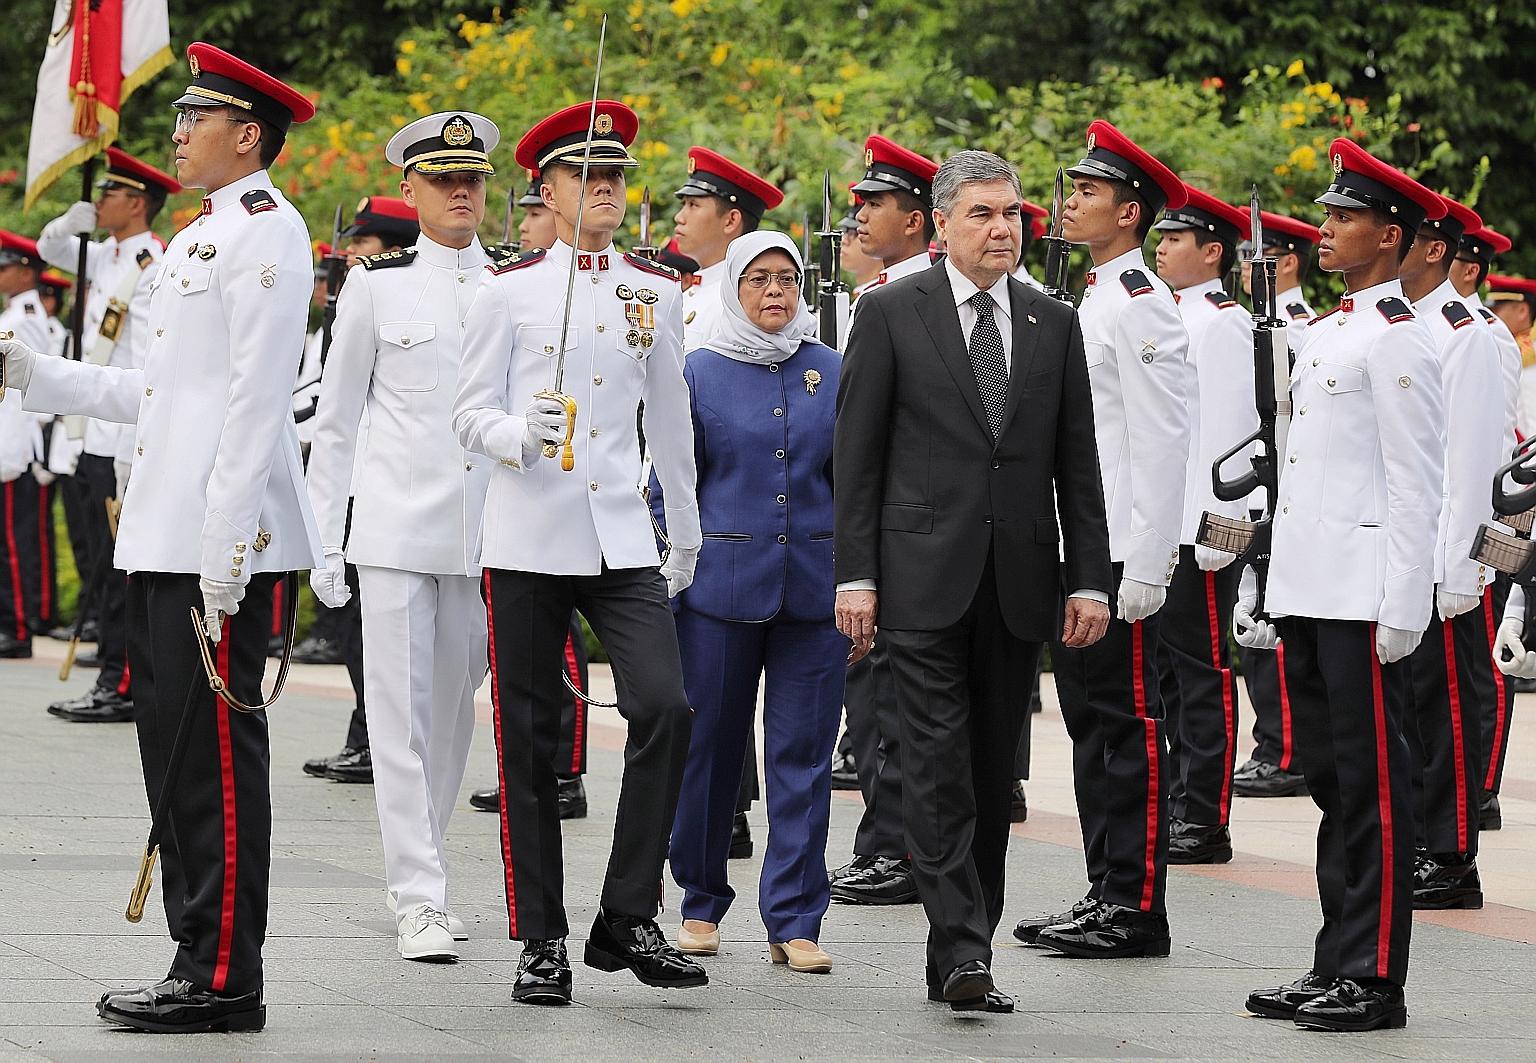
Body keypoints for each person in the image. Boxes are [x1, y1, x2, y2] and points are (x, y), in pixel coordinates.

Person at [1, 42, 320, 1033]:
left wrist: (228, 550)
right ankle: (197, 955)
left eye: (197, 119)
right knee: (172, 759)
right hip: (162, 533)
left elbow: (257, 402)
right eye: (179, 116)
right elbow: (162, 393)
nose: (177, 135)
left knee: (213, 761)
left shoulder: (267, 234)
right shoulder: (200, 235)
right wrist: (30, 373)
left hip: (209, 547)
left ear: (247, 135)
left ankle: (225, 973)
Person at [835, 149, 1112, 1013]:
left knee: (993, 778)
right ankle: (963, 952)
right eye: (984, 214)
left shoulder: (1052, 323)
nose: (1004, 229)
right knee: (935, 767)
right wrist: (857, 575)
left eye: (1013, 214)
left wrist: (1090, 579)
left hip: (1018, 581)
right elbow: (858, 457)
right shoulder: (888, 313)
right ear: (943, 223)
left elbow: (1078, 462)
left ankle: (963, 942)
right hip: (919, 580)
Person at [454, 100, 707, 1006]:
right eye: (585, 175)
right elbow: (467, 413)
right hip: (527, 532)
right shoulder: (506, 290)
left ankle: (628, 912)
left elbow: (671, 416)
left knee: (667, 707)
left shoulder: (653, 291)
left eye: (615, 176)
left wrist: (685, 525)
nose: (604, 187)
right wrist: (518, 431)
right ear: (549, 191)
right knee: (528, 744)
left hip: (619, 535)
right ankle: (542, 938)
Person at [1238, 138, 1445, 1033]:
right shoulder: (1329, 330)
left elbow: (1416, 483)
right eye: (1325, 215)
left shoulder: (1402, 341)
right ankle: (1336, 957)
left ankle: (1377, 975)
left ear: (1389, 233)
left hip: (1364, 596)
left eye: (1343, 217)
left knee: (1374, 786)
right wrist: (1275, 587)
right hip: (1312, 589)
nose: (1324, 229)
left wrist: (1404, 604)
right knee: (1332, 779)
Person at [306, 111, 505, 963]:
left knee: (453, 713)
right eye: (443, 180)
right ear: (411, 190)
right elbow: (338, 420)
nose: (461, 192)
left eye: (472, 181)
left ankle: (424, 876)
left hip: (483, 533)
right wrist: (327, 537)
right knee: (396, 718)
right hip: (391, 528)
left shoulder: (513, 286)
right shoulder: (377, 287)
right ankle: (417, 893)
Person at [1017, 121, 1190, 960]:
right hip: (1082, 542)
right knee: (1093, 723)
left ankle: (1135, 902)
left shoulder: (1143, 305)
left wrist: (1150, 562)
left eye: (1087, 192)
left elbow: (1163, 441)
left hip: (1121, 549)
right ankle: (1105, 887)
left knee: (1125, 725)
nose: (1069, 202)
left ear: (1129, 212)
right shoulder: (1096, 296)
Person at [658, 230, 844, 971]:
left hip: (814, 592)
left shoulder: (831, 369)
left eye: (787, 280)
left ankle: (796, 918)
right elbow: (670, 479)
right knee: (708, 751)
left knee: (804, 755)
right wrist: (667, 567)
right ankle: (700, 901)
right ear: (732, 288)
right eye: (758, 280)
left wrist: (864, 578)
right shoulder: (698, 370)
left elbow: (857, 481)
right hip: (717, 590)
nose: (775, 293)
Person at [828, 133, 939, 908]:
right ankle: (885, 838)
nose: (859, 214)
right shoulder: (884, 294)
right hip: (882, 522)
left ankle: (899, 846)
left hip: (910, 527)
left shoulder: (915, 297)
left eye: (877, 204)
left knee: (894, 697)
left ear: (918, 219)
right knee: (872, 693)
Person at [468, 164, 595, 825]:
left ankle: (565, 768)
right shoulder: (515, 288)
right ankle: (537, 766)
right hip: (518, 488)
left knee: (561, 646)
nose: (522, 224)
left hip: (581, 493)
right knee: (516, 654)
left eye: (530, 213)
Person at [36, 149, 180, 722]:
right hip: (92, 434)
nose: (99, 204)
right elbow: (50, 251)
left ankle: (121, 683)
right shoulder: (109, 255)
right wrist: (68, 224)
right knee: (101, 558)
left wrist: (129, 445)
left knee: (122, 565)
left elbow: (149, 360)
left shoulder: (150, 264)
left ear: (137, 203)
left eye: (108, 195)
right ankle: (112, 673)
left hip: (122, 434)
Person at [1397, 192, 1503, 911]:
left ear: (1434, 248)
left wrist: (1458, 568)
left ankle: (1451, 852)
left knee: (1448, 708)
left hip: (1445, 556)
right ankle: (1418, 840)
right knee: (1407, 708)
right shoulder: (1397, 326)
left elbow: (1470, 461)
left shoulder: (1468, 333)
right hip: (1400, 552)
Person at [298, 197, 421, 781]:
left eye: (363, 242)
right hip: (347, 482)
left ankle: (379, 739)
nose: (350, 253)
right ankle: (363, 731)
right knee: (354, 629)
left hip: (382, 486)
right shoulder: (354, 300)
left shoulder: (394, 297)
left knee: (377, 631)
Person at [1150, 183, 1254, 864]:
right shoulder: (1169, 313)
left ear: (1212, 251)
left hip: (1199, 525)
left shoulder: (1222, 321)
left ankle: (1203, 815)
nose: (1161, 247)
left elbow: (1232, 430)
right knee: (1164, 674)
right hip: (1162, 521)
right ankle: (1176, 799)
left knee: (1201, 671)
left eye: (1176, 239)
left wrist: (1224, 527)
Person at [1232, 210, 1321, 799]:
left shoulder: (1299, 324)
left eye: (1256, 257)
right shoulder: (1254, 320)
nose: (1245, 268)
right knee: (1255, 624)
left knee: (1278, 621)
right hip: (1258, 483)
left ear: (1286, 262)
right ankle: (1272, 742)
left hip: (1285, 489)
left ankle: (1286, 749)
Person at [0, 232, 55, 660]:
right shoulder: (15, 310)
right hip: (8, 444)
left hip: (17, 448)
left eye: (5, 268)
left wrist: (23, 447)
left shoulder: (28, 314)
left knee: (17, 545)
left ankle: (19, 628)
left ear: (25, 270)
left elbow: (34, 387)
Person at [672, 147, 783, 345]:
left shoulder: (739, 302)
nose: (679, 217)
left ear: (731, 220)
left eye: (693, 205)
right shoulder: (697, 289)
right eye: (684, 205)